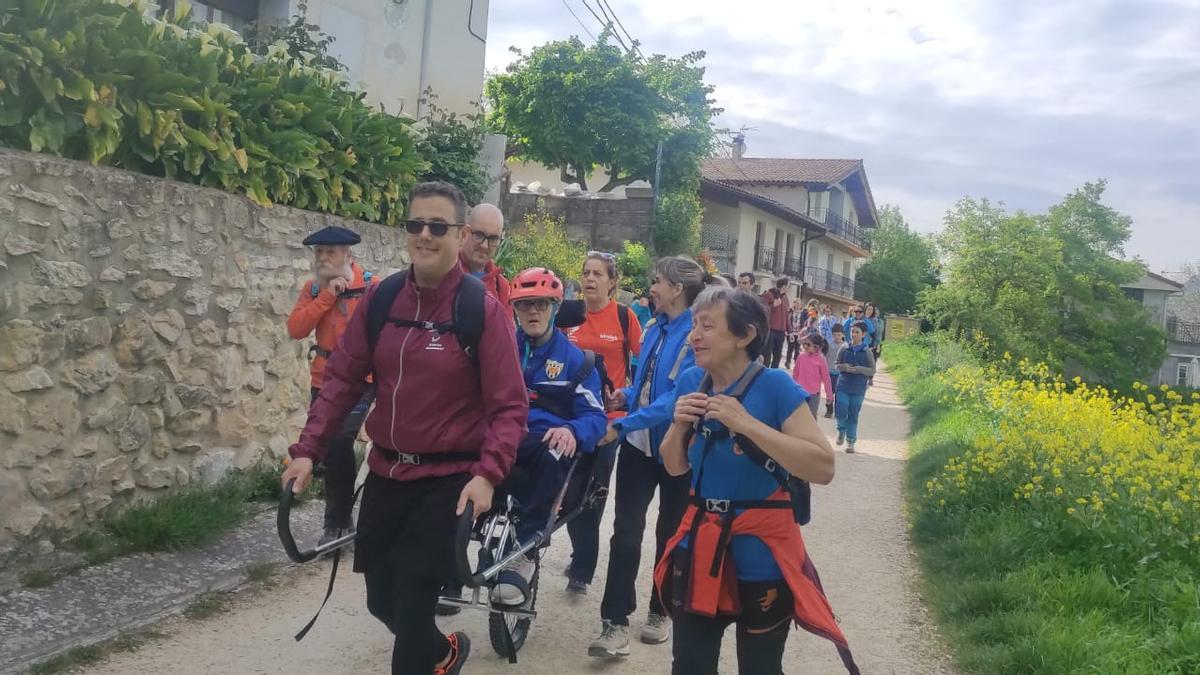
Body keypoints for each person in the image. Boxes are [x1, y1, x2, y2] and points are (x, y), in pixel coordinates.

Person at [281, 181, 528, 675]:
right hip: (386, 474)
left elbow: (509, 407)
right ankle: (445, 653)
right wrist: (307, 449)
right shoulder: (383, 299)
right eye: (416, 224)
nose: (425, 235)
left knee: (413, 605)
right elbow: (342, 381)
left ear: (460, 236)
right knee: (381, 601)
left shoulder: (481, 311)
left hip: (447, 482)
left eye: (438, 226)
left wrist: (487, 473)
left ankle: (425, 654)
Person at [655, 286, 858, 675]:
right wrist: (679, 426)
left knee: (760, 669)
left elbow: (822, 467)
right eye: (694, 324)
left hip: (763, 556)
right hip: (701, 546)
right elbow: (675, 468)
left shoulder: (775, 386)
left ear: (745, 335)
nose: (694, 335)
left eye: (708, 326)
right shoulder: (692, 383)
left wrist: (745, 424)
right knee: (690, 667)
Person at [589, 256, 712, 658]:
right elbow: (646, 382)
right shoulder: (655, 328)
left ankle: (661, 610)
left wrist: (622, 424)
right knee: (625, 530)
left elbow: (677, 401)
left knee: (670, 534)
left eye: (657, 282)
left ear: (677, 288)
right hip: (640, 448)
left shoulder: (696, 335)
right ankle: (614, 623)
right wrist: (624, 396)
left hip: (678, 449)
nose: (651, 289)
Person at [491, 268, 608, 605]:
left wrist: (573, 429)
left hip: (543, 442)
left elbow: (595, 416)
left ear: (555, 308)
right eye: (525, 305)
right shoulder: (498, 351)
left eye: (541, 304)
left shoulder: (576, 361)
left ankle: (526, 550)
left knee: (558, 449)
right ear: (514, 309)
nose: (533, 312)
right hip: (501, 436)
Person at [286, 225, 380, 545]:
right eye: (319, 252)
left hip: (361, 382)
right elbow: (297, 329)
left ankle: (337, 521)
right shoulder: (314, 290)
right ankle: (341, 522)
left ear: (348, 254)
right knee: (328, 447)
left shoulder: (372, 287)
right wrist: (328, 296)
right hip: (323, 379)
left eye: (331, 252)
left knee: (339, 441)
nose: (324, 257)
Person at [562, 252, 644, 595]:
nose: (590, 278)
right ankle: (581, 551)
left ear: (613, 282)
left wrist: (626, 394)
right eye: (585, 272)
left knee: (591, 494)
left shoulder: (625, 318)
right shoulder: (568, 316)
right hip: (568, 418)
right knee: (565, 494)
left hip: (609, 422)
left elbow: (643, 368)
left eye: (597, 273)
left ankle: (581, 568)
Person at [834, 321, 876, 453]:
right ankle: (841, 431)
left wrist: (859, 369)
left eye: (857, 332)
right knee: (841, 412)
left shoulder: (867, 351)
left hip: (858, 388)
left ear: (863, 334)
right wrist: (843, 367)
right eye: (852, 331)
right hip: (843, 385)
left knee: (853, 415)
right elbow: (836, 364)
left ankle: (850, 442)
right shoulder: (844, 347)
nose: (854, 334)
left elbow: (872, 370)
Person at [461, 202, 510, 306]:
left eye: (493, 239)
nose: (484, 245)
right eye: (479, 235)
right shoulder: (443, 273)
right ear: (465, 232)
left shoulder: (501, 286)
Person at [792, 334, 834, 419]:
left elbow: (826, 379)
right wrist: (791, 388)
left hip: (814, 396)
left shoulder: (821, 360)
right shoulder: (801, 357)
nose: (805, 346)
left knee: (811, 418)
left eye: (808, 344)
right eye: (805, 344)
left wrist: (829, 395)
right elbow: (795, 374)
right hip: (800, 392)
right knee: (797, 417)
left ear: (817, 347)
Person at [760, 278, 789, 369]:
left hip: (781, 332)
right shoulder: (769, 295)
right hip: (770, 330)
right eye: (788, 286)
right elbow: (762, 309)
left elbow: (786, 315)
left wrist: (790, 330)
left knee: (777, 356)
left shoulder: (784, 298)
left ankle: (773, 375)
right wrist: (773, 305)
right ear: (784, 286)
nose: (788, 288)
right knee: (767, 356)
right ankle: (764, 375)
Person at [825, 323, 847, 418]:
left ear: (843, 335)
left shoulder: (846, 346)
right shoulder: (829, 345)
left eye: (839, 335)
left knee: (839, 394)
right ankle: (829, 410)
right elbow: (825, 358)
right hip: (830, 373)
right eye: (835, 335)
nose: (837, 337)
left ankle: (838, 412)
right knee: (829, 393)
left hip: (840, 374)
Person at [865, 304, 885, 385]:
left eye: (876, 312)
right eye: (874, 312)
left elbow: (879, 332)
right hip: (867, 342)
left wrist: (877, 345)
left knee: (873, 360)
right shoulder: (865, 319)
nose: (875, 313)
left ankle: (870, 377)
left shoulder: (879, 321)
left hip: (875, 343)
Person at [784, 298, 806, 369]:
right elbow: (787, 320)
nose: (797, 304)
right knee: (790, 348)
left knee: (797, 349)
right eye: (796, 303)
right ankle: (787, 362)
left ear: (801, 305)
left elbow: (805, 323)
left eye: (798, 303)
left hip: (799, 333)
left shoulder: (804, 313)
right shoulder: (790, 311)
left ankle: (796, 363)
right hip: (791, 333)